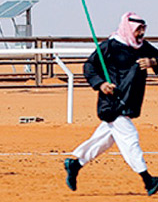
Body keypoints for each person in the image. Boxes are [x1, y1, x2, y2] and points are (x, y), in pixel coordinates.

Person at [65, 12, 158, 195]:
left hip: (130, 101)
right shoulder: (110, 46)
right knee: (130, 138)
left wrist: (153, 61)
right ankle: (148, 180)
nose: (141, 33)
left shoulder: (143, 47)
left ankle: (75, 164)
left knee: (104, 141)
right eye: (138, 29)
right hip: (113, 102)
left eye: (143, 29)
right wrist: (101, 84)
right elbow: (89, 67)